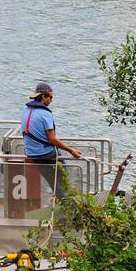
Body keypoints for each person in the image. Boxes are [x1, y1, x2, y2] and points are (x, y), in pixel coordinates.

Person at [20, 82, 82, 213]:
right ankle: (68, 209)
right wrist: (72, 150)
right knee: (61, 180)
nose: (51, 100)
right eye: (50, 97)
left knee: (53, 179)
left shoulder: (26, 110)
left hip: (31, 152)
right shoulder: (45, 114)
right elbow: (52, 138)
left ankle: (63, 201)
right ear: (43, 96)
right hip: (45, 154)